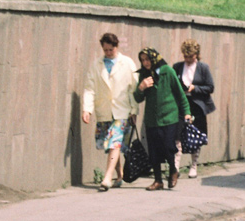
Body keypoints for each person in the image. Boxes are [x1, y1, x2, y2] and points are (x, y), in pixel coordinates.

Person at [81, 33, 139, 191]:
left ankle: (107, 178)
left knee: (114, 142)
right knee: (112, 145)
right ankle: (119, 175)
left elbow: (133, 88)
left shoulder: (127, 63)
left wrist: (134, 110)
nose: (108, 52)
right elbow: (90, 88)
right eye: (105, 50)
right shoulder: (96, 65)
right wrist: (87, 109)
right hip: (104, 110)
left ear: (116, 47)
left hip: (122, 110)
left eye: (111, 50)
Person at [134, 48, 192, 190]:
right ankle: (158, 180)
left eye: (147, 59)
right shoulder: (144, 75)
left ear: (154, 58)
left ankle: (173, 170)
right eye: (142, 60)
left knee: (168, 146)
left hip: (169, 117)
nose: (145, 63)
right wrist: (141, 88)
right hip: (152, 119)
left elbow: (180, 94)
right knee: (153, 150)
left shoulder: (167, 71)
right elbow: (138, 98)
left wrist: (187, 112)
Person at [172, 39, 215, 179]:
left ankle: (194, 165)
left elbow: (210, 87)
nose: (188, 59)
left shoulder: (203, 68)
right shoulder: (177, 67)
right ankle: (176, 166)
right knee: (177, 135)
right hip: (182, 104)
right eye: (186, 56)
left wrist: (194, 88)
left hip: (196, 105)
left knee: (195, 136)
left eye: (191, 56)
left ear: (197, 54)